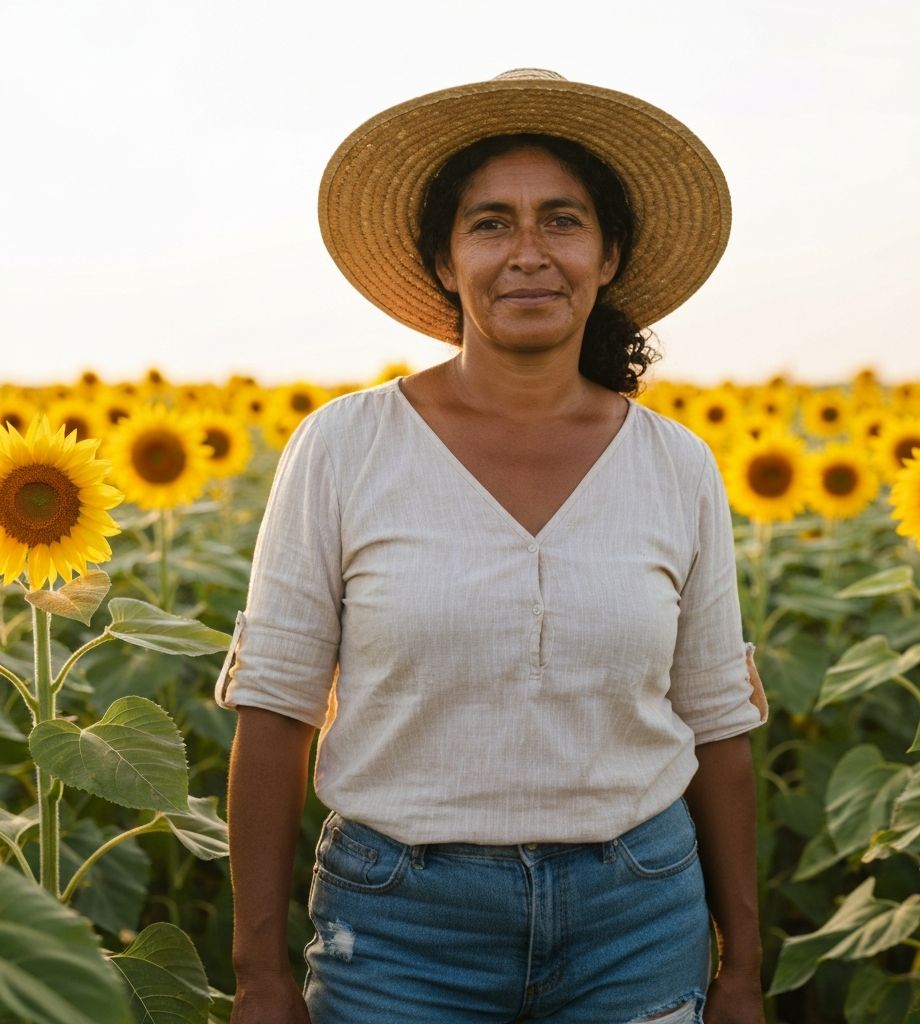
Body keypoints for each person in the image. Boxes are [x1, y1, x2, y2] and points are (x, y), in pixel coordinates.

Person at [216, 68, 769, 1024]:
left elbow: (716, 723)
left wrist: (743, 971)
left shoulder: (675, 464)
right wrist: (259, 975)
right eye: (490, 224)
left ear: (607, 255)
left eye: (562, 221)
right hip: (400, 928)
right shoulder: (346, 446)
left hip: (637, 918)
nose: (528, 253)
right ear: (444, 261)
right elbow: (275, 709)